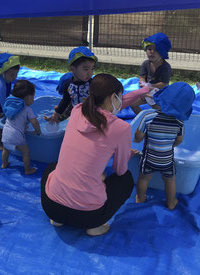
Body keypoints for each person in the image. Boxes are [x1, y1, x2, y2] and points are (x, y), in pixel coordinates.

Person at [41, 74, 141, 237]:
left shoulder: (77, 110)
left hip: (51, 207)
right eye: (119, 97)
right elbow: (120, 170)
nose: (120, 102)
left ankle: (59, 220)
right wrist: (127, 154)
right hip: (90, 216)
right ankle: (96, 226)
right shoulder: (121, 128)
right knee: (125, 180)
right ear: (112, 97)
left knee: (53, 167)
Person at [134, 82, 195, 210]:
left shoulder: (148, 116)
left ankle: (140, 198)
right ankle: (171, 202)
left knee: (144, 178)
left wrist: (138, 139)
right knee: (170, 180)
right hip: (167, 158)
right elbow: (179, 140)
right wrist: (169, 145)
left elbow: (138, 135)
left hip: (149, 157)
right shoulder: (179, 122)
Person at [45, 46, 97, 123]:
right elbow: (65, 100)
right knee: (68, 111)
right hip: (74, 108)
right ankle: (56, 119)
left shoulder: (93, 84)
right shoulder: (68, 84)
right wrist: (56, 114)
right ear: (73, 69)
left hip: (90, 112)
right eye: (86, 69)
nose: (90, 72)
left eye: (92, 68)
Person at [1, 80, 41, 175]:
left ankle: (4, 164)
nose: (33, 99)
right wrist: (38, 130)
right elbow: (35, 122)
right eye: (33, 97)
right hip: (17, 137)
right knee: (26, 152)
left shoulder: (10, 104)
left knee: (6, 150)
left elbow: (15, 119)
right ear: (27, 98)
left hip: (6, 133)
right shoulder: (27, 109)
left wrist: (24, 125)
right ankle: (27, 170)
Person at [130, 33, 172, 114]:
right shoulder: (145, 64)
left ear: (162, 52)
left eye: (156, 50)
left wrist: (150, 87)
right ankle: (142, 118)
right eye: (149, 49)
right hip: (147, 91)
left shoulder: (165, 67)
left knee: (161, 110)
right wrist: (143, 84)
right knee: (132, 104)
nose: (152, 52)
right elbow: (142, 76)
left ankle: (160, 120)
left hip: (160, 93)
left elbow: (163, 83)